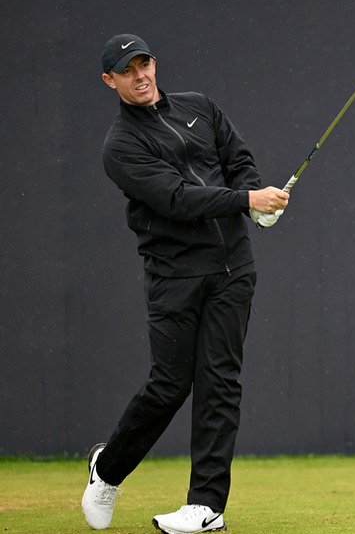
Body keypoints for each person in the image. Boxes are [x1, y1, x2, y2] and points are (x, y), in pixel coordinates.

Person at [82, 33, 289, 533]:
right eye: (127, 71)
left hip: (232, 271)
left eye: (145, 64)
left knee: (219, 381)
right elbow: (175, 198)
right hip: (175, 275)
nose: (141, 76)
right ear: (110, 80)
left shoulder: (199, 107)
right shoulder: (121, 146)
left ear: (154, 63)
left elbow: (238, 159)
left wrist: (256, 201)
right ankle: (107, 470)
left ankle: (206, 506)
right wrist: (246, 202)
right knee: (170, 385)